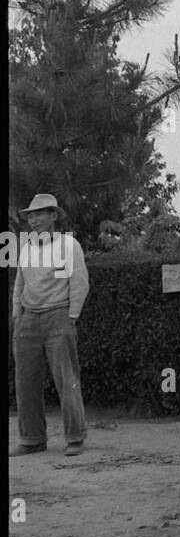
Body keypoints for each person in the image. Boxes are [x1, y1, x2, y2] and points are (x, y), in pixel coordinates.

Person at [10, 193, 90, 457]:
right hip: (28, 320)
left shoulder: (69, 245)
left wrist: (72, 316)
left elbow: (79, 282)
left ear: (54, 216)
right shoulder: (26, 247)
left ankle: (75, 438)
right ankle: (32, 439)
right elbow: (19, 284)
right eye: (31, 215)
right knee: (25, 382)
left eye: (41, 214)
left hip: (59, 316)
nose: (34, 220)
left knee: (67, 380)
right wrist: (17, 314)